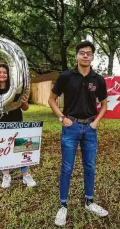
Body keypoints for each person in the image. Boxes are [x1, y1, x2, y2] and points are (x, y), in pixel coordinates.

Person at [48, 40, 108, 227]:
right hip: (71, 127)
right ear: (76, 55)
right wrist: (61, 117)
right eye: (82, 52)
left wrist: (96, 122)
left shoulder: (97, 79)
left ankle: (89, 201)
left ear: (92, 57)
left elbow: (104, 103)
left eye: (88, 53)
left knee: (89, 166)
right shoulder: (66, 76)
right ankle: (63, 205)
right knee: (67, 167)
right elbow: (51, 99)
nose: (85, 56)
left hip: (90, 127)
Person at [0, 63, 37, 189]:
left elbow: (25, 108)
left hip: (16, 122)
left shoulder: (16, 88)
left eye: (5, 72)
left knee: (21, 148)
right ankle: (6, 175)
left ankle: (26, 175)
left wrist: (24, 101)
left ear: (9, 75)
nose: (2, 74)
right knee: (3, 150)